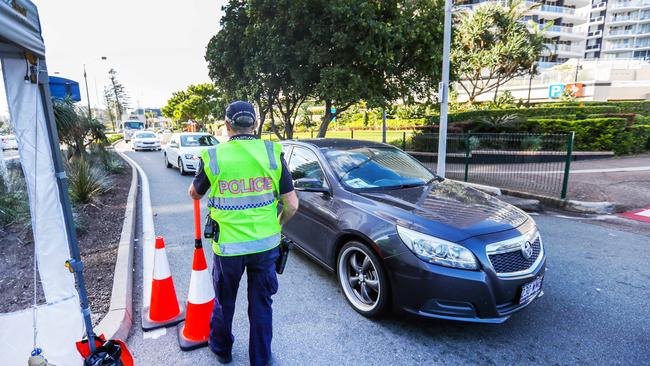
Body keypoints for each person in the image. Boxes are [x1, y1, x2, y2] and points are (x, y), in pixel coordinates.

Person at [188, 100, 299, 366]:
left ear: (227, 126)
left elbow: (195, 193)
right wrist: (277, 225)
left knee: (224, 302)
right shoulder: (272, 153)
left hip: (228, 248)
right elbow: (292, 204)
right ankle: (260, 360)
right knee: (261, 305)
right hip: (265, 247)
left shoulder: (214, 156)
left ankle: (222, 349)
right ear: (256, 124)